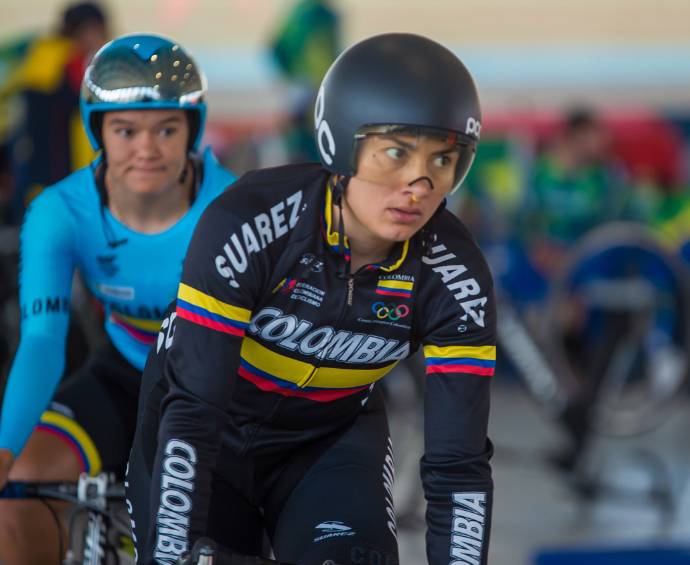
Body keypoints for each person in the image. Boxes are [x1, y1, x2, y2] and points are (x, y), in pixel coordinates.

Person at [126, 33, 495, 565]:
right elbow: (195, 410)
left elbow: (458, 466)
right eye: (396, 152)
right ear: (340, 143)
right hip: (205, 431)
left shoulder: (456, 276)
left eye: (443, 159)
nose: (418, 182)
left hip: (329, 445)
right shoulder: (248, 223)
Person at [0, 33, 236, 563]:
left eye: (167, 129)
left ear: (192, 131)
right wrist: (4, 450)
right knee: (17, 488)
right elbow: (41, 342)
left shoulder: (234, 206)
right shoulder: (60, 211)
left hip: (218, 393)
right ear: (98, 131)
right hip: (121, 377)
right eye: (126, 131)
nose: (146, 150)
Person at [2, 2, 109, 225]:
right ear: (81, 31)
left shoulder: (46, 60)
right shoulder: (63, 62)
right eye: (95, 31)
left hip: (57, 180)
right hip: (54, 179)